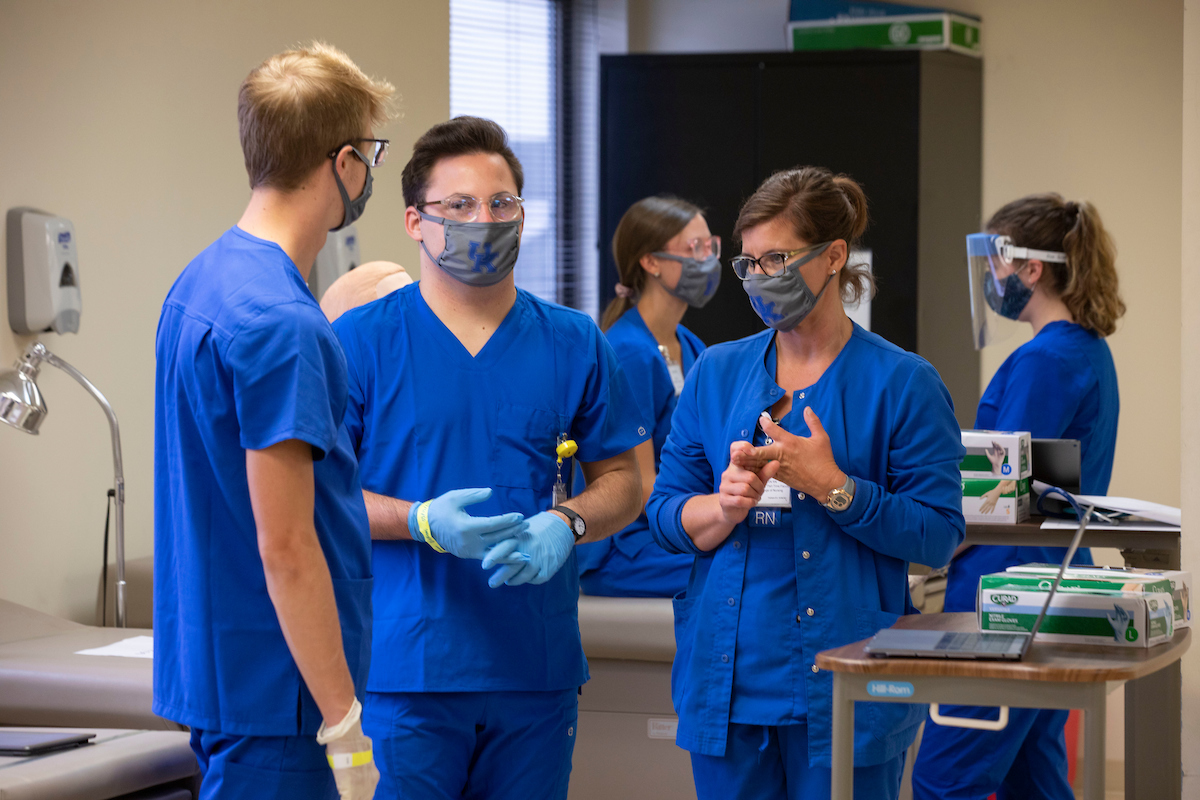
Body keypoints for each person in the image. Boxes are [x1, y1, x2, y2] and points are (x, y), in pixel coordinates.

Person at [331, 116, 647, 800]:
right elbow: (316, 499)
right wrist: (416, 520)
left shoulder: (574, 343)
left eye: (501, 204)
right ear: (416, 222)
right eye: (461, 206)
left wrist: (567, 522)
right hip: (405, 672)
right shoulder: (359, 343)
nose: (486, 220)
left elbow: (626, 479)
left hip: (533, 670)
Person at [646, 166, 965, 800]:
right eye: (749, 263)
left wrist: (836, 488)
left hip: (848, 684)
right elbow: (663, 514)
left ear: (834, 257)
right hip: (728, 688)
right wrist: (721, 505)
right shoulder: (718, 372)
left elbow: (938, 536)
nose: (762, 278)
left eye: (779, 259)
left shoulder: (902, 382)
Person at [153, 43, 393, 800]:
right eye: (372, 155)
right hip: (283, 702)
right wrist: (343, 726)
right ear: (346, 161)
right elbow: (287, 546)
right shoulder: (284, 326)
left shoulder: (201, 282)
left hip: (226, 673)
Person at [912, 193, 1124, 800]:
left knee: (943, 781)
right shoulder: (1084, 351)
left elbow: (1004, 493)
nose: (990, 279)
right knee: (1033, 778)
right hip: (1050, 583)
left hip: (1009, 592)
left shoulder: (1044, 361)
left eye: (995, 262)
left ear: (1030, 267)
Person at [577, 196, 716, 597]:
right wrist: (713, 516)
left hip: (672, 524)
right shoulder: (630, 352)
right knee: (745, 568)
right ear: (651, 262)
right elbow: (639, 488)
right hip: (628, 546)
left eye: (711, 247)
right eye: (694, 249)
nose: (706, 260)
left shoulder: (690, 345)